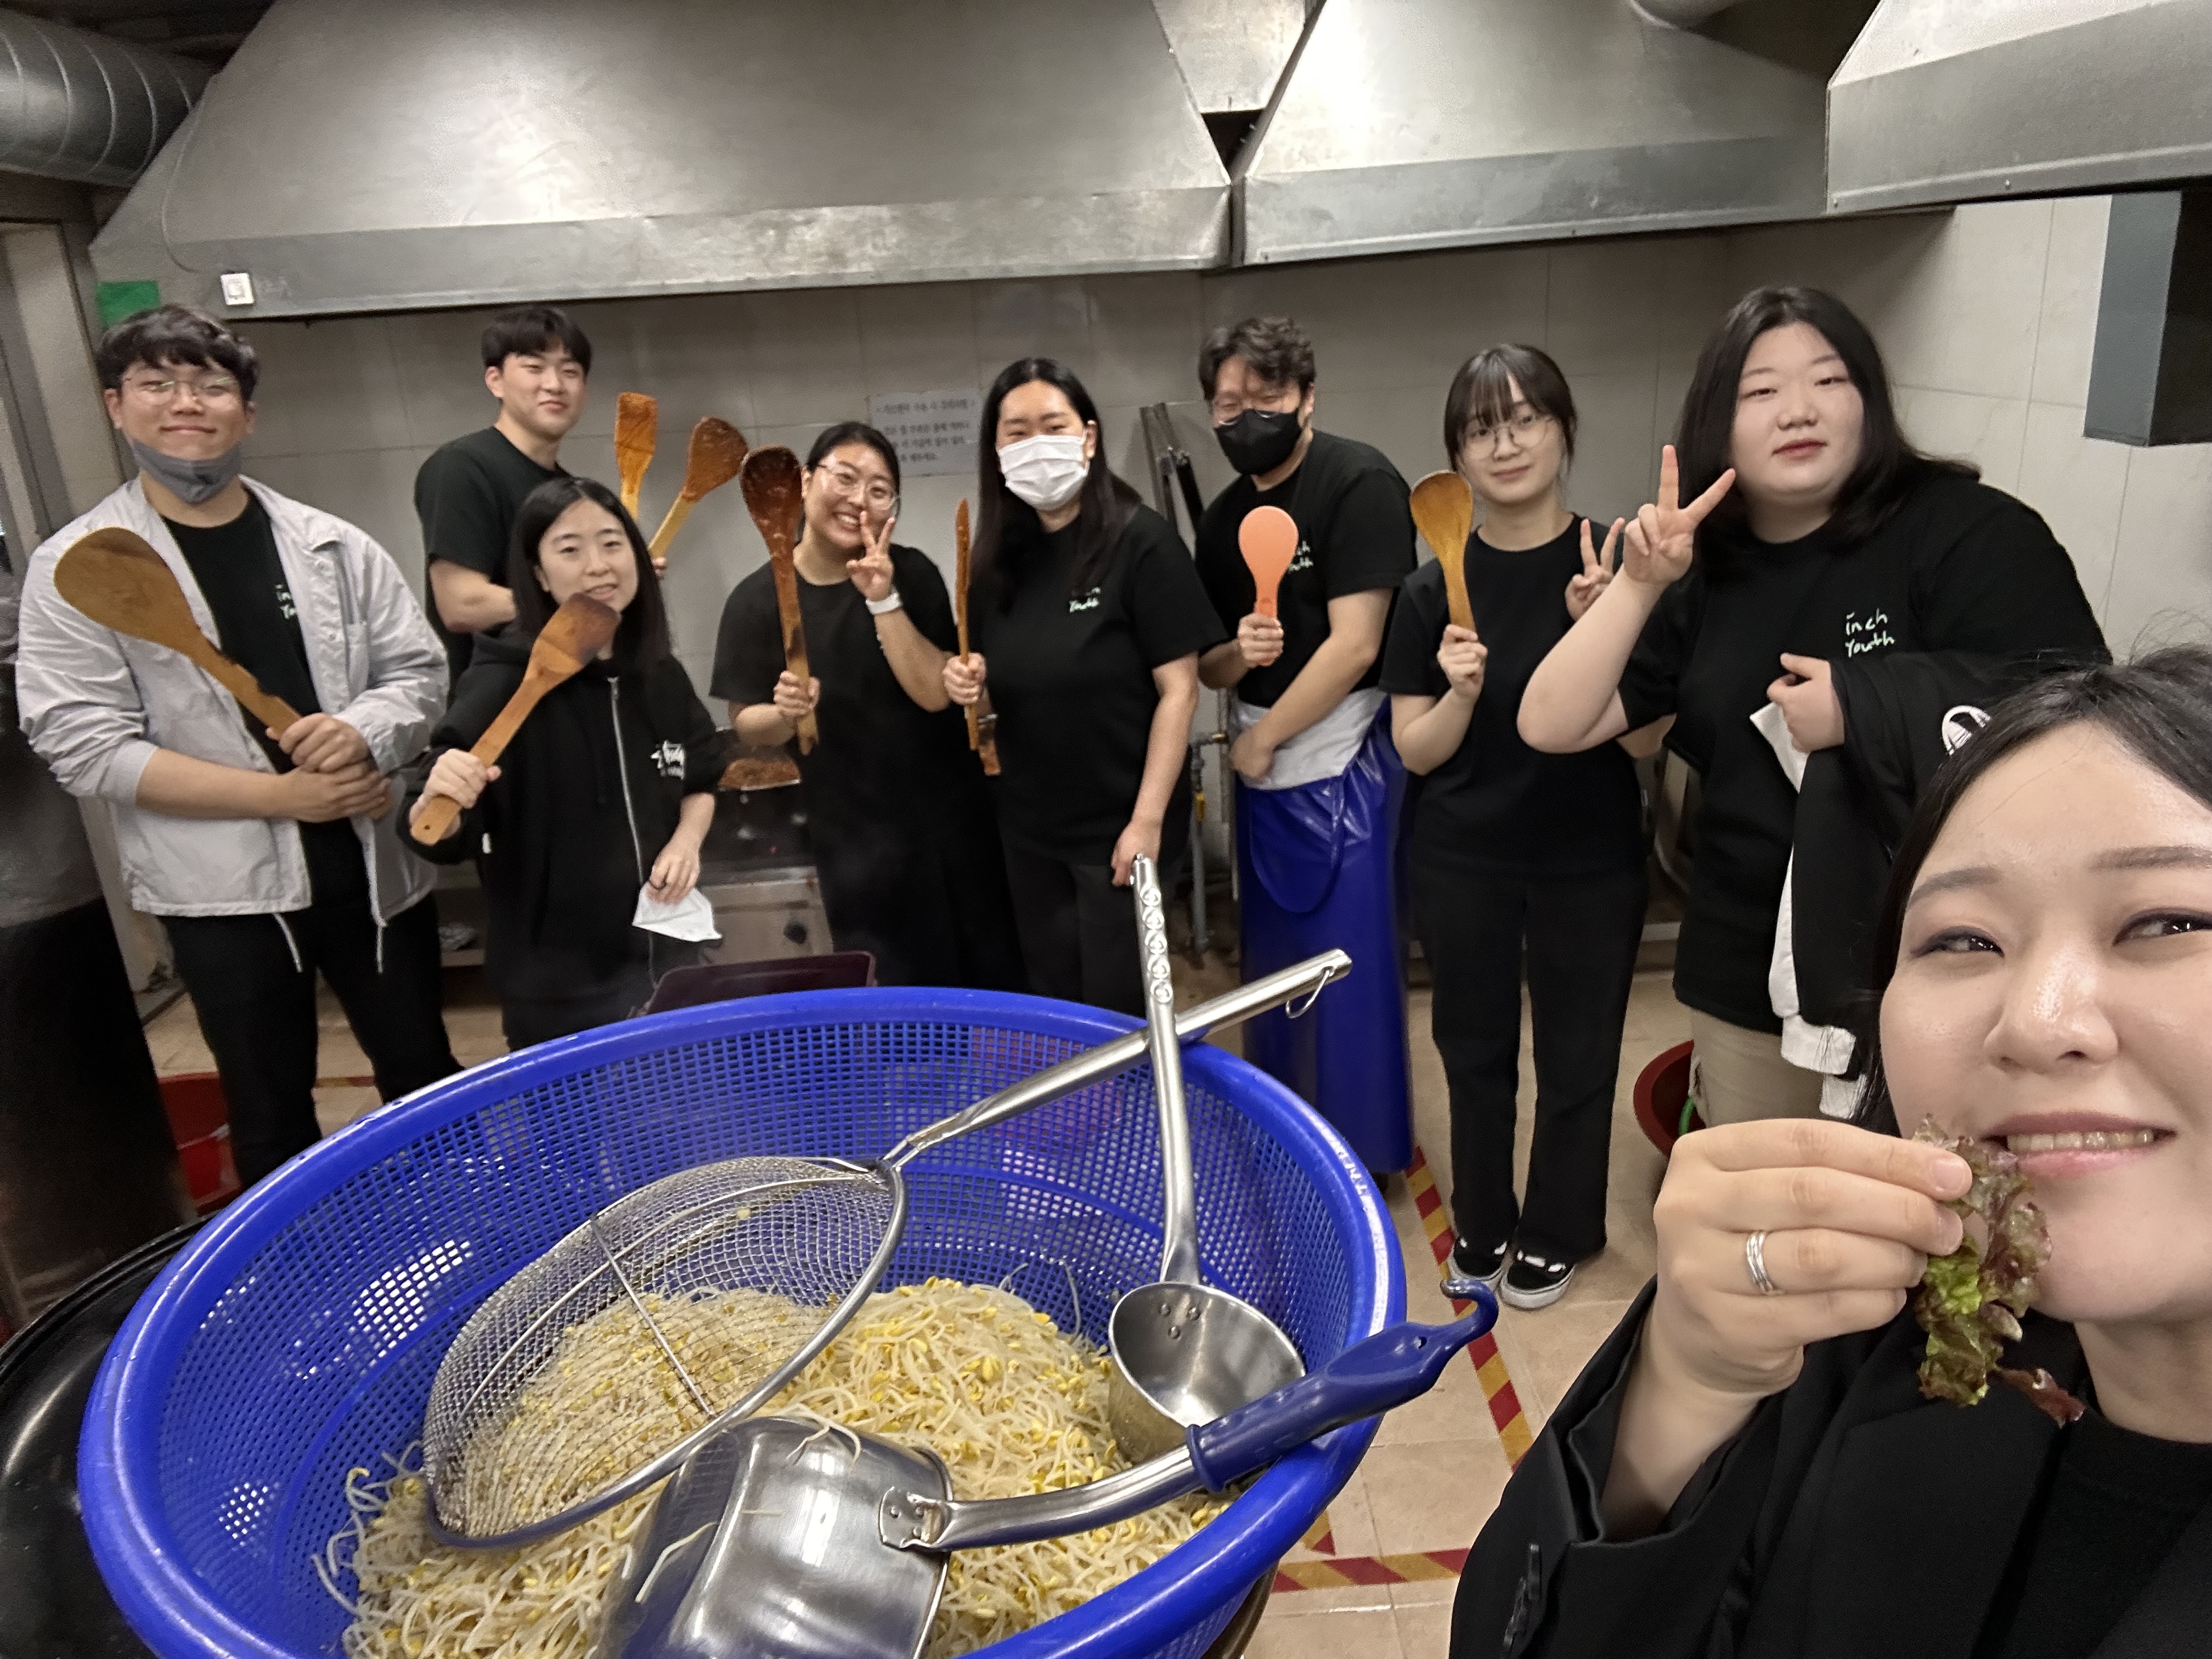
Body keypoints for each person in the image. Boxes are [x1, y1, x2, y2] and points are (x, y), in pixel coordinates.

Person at [1456, 647, 2212, 1659]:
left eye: (2169, 921)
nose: (2034, 1023)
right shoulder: (1857, 1337)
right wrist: (1683, 1388)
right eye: (1962, 940)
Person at [1520, 286, 2106, 1126]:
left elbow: (2079, 712)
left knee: (1932, 1195)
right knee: (1773, 1194)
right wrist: (1640, 585)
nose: (1798, 410)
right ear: (1718, 423)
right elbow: (1552, 721)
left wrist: (1864, 705)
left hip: (1946, 965)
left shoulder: (1968, 534)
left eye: (1829, 380)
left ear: (1869, 400)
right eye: (1761, 391)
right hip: (1746, 969)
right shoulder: (1707, 568)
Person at [16, 304, 456, 1186]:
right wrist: (281, 798)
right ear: (115, 405)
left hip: (372, 873)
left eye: (210, 385)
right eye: (158, 383)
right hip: (223, 897)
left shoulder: (333, 544)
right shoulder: (78, 569)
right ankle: (298, 1270)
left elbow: (417, 672)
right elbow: (84, 746)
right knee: (269, 1112)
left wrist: (361, 733)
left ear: (247, 413)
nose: (187, 403)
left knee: (427, 1084)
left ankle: (467, 1242)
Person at [1381, 346, 1648, 1309]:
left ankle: (1561, 1226)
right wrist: (1459, 693)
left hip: (1591, 852)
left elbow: (1650, 738)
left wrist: (1601, 628)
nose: (1506, 443)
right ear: (1457, 455)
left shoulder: (1618, 565)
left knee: (1580, 1051)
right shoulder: (1429, 591)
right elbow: (1414, 750)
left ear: (1563, 429)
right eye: (1481, 428)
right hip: (1465, 853)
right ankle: (1484, 1218)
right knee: (1472, 1049)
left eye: (1526, 418)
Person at [920, 358, 1221, 1015]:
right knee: (1055, 1004)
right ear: (996, 452)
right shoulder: (994, 561)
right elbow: (1006, 686)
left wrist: (1146, 823)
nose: (1036, 445)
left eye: (1052, 427)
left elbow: (1181, 692)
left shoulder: (1141, 543)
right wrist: (969, 683)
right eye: (1016, 432)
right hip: (1031, 831)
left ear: (1087, 438)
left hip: (1121, 831)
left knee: (1120, 1010)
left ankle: (1136, 1091)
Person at [1192, 315, 1417, 1176]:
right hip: (1262, 764)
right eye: (1229, 404)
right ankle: (1290, 1140)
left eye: (1268, 396)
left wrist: (1269, 738)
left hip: (1346, 757)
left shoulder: (1357, 482)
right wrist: (1237, 654)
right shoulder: (1222, 520)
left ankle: (1362, 1150)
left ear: (1307, 397)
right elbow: (1209, 663)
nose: (1247, 416)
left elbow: (1358, 644)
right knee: (1276, 970)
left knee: (1347, 966)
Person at [405, 477, 727, 1047]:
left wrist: (686, 842)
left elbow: (701, 773)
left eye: (612, 543)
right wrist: (438, 795)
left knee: (679, 1102)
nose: (598, 565)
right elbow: (437, 822)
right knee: (574, 1111)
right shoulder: (505, 678)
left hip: (667, 961)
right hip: (556, 988)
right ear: (538, 574)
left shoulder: (658, 672)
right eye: (570, 549)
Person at [711, 421, 1025, 989]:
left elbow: (934, 692)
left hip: (954, 825)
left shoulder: (913, 573)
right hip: (856, 840)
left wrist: (883, 599)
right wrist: (784, 715)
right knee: (902, 997)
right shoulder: (757, 601)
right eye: (846, 478)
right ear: (806, 481)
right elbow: (746, 724)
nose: (859, 500)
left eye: (880, 491)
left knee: (992, 985)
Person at [414, 305, 591, 680]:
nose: (555, 384)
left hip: (566, 693)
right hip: (498, 700)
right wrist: (582, 603)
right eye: (534, 367)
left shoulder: (571, 491)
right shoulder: (461, 466)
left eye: (570, 371)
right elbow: (462, 603)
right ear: (495, 381)